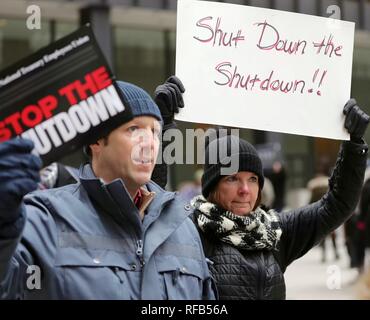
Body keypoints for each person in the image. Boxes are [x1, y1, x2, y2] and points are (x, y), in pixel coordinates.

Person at [0, 79, 215, 300]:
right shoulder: (45, 218)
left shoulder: (183, 227)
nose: (150, 142)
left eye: (155, 132)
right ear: (97, 141)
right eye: (133, 129)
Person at [188, 97, 369, 299]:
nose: (245, 190)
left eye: (253, 179)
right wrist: (163, 124)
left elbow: (337, 205)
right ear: (212, 186)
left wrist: (354, 146)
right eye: (232, 179)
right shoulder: (190, 230)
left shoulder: (273, 231)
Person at [306, 157, 340, 263]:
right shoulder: (329, 184)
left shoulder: (313, 186)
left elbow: (311, 201)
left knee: (324, 235)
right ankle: (336, 252)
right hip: (330, 212)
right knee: (333, 234)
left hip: (320, 212)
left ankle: (324, 255)